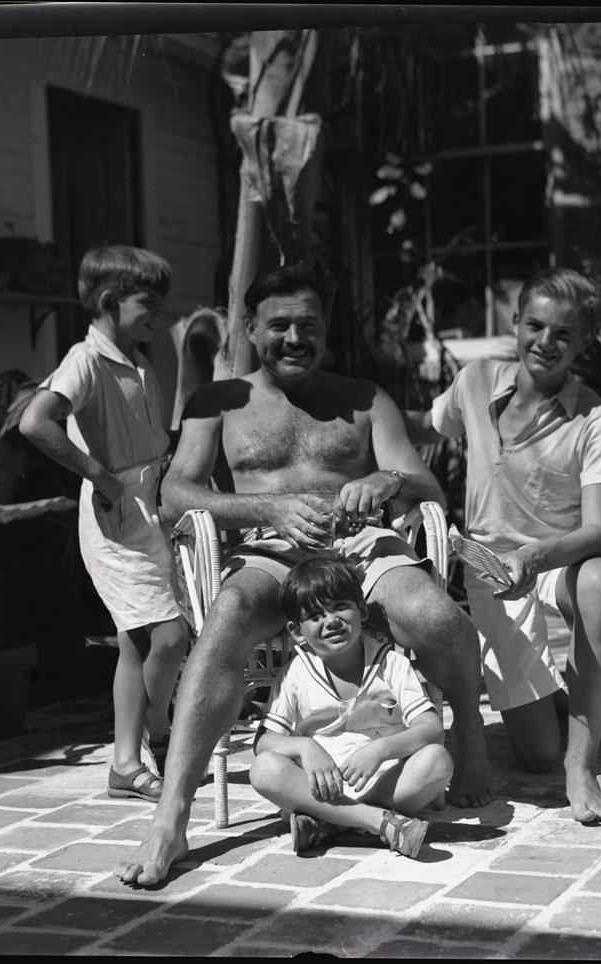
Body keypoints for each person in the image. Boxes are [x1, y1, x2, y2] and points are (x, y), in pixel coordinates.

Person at [113, 265, 491, 887]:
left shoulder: (365, 398)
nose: (294, 338)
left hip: (360, 543)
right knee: (227, 617)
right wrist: (266, 508)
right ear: (251, 328)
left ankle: (469, 737)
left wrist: (386, 480)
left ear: (325, 329)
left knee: (436, 615)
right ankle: (172, 815)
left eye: (308, 325)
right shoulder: (219, 401)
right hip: (269, 547)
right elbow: (175, 495)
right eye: (279, 325)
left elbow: (428, 486)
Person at [410, 266, 601, 824]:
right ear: (516, 323)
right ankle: (573, 705)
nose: (546, 343)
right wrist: (361, 423)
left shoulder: (596, 419)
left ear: (583, 341)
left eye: (563, 333)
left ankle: (583, 770)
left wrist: (532, 557)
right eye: (535, 326)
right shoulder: (477, 379)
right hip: (490, 571)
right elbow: (426, 426)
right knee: (535, 755)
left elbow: (598, 531)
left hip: (556, 563)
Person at [19, 244, 190, 803]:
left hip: (151, 504)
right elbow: (35, 422)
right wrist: (101, 476)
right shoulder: (85, 360)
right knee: (166, 635)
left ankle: (125, 763)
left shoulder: (135, 357)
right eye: (149, 302)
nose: (158, 312)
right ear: (112, 301)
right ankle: (161, 735)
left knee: (136, 643)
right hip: (117, 511)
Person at [250, 557, 452, 858]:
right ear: (296, 631)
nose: (331, 621)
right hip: (321, 786)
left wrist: (381, 750)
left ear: (362, 610)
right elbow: (263, 743)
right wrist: (305, 747)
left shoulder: (391, 663)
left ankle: (332, 821)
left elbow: (431, 728)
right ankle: (376, 821)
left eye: (340, 607)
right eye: (316, 615)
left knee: (437, 760)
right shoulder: (296, 673)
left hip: (386, 782)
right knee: (264, 769)